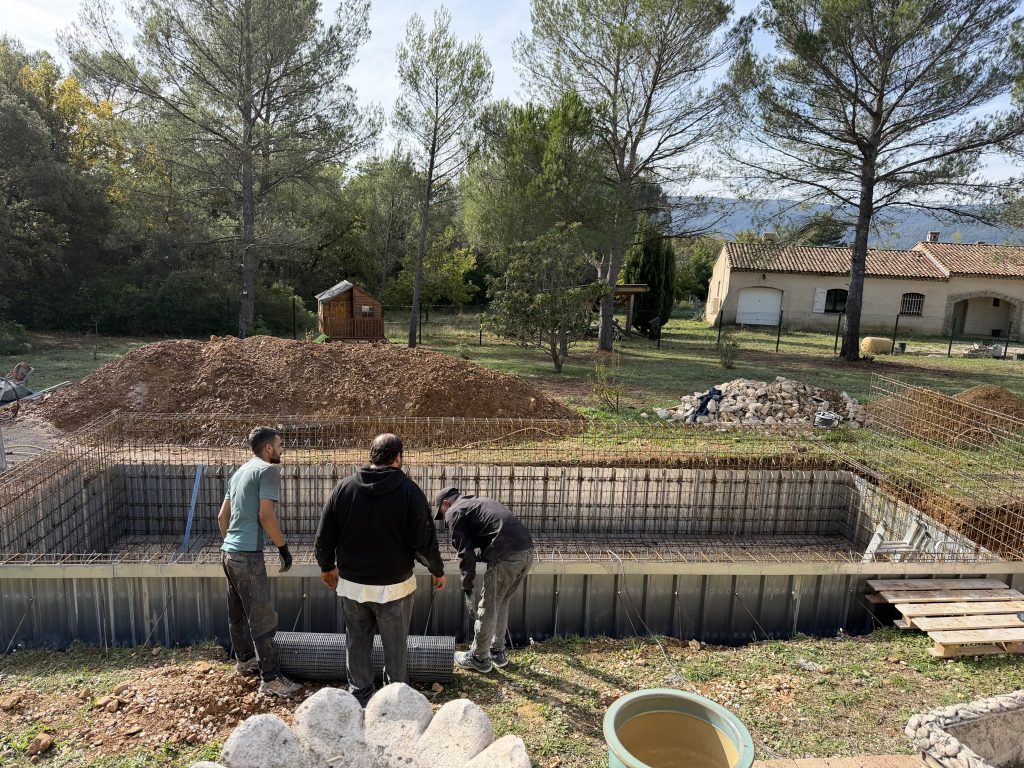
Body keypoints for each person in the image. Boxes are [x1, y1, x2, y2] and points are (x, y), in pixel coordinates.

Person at [314, 433, 446, 706]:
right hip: (395, 587)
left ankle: (360, 697)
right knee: (395, 646)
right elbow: (424, 541)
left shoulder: (344, 488)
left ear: (371, 456)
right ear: (398, 457)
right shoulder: (409, 491)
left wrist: (327, 568)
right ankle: (394, 698)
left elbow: (324, 538)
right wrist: (436, 569)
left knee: (357, 642)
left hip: (352, 585)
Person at [217, 426, 302, 698]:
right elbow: (266, 516)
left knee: (238, 612)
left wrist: (232, 543)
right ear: (268, 448)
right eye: (279, 444)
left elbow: (222, 517)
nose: (281, 449)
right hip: (247, 556)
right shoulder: (268, 471)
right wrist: (283, 549)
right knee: (263, 616)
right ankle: (271, 678)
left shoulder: (239, 472)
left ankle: (244, 661)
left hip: (228, 552)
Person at [434, 487, 535, 674]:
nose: (444, 518)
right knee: (501, 601)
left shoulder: (454, 511)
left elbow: (465, 554)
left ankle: (479, 657)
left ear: (446, 503)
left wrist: (467, 588)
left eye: (441, 512)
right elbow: (485, 539)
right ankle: (497, 651)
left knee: (488, 606)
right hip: (527, 552)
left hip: (507, 556)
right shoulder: (480, 502)